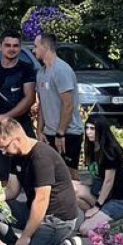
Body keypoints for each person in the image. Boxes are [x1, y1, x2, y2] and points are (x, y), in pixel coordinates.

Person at [0, 118, 83, 245]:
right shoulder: (15, 155)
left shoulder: (41, 157)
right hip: (35, 213)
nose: (3, 152)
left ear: (17, 139)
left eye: (4, 147)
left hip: (57, 219)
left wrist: (25, 236)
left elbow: (41, 200)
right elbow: (12, 190)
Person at [0, 31, 37, 179]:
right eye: (8, 45)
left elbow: (29, 98)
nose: (12, 49)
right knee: (2, 171)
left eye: (16, 46)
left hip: (22, 125)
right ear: (0, 47)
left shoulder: (26, 69)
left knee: (29, 170)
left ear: (20, 48)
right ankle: (5, 200)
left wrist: (6, 117)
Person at [75, 114, 123, 236]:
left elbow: (108, 182)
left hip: (119, 201)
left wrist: (96, 207)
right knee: (74, 189)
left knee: (84, 230)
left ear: (101, 130)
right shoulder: (92, 147)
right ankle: (95, 221)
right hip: (104, 198)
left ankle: (119, 222)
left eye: (93, 129)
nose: (88, 132)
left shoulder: (109, 150)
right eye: (87, 128)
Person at [34, 32, 83, 175]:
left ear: (45, 47)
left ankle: (83, 198)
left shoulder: (62, 70)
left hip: (68, 133)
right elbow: (42, 104)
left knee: (70, 176)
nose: (34, 50)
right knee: (53, 177)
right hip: (49, 133)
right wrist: (40, 130)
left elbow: (68, 105)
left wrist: (60, 134)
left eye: (36, 46)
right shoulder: (41, 73)